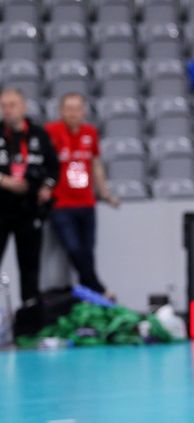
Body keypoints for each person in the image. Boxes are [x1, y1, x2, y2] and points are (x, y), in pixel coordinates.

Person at [45, 93, 119, 298]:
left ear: (84, 111)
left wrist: (105, 193)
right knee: (74, 248)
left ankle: (89, 295)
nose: (73, 114)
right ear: (61, 111)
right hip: (61, 204)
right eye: (69, 109)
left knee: (87, 251)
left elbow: (96, 164)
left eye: (77, 109)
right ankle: (98, 289)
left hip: (86, 202)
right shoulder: (51, 132)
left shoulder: (90, 133)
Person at [0, 88, 60, 306]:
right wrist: (4, 181)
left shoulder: (38, 134)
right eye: (4, 106)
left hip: (29, 208)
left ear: (23, 107)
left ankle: (30, 315)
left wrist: (47, 187)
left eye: (12, 105)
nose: (8, 110)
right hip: (2, 208)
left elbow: (53, 168)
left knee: (30, 266)